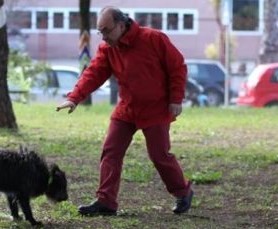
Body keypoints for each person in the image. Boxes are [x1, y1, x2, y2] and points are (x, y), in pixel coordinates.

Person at [56, 6, 194, 216]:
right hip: (127, 108)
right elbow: (93, 73)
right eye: (100, 32)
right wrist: (74, 98)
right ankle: (106, 202)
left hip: (156, 108)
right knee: (111, 151)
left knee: (159, 155)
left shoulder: (153, 39)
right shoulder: (108, 48)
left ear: (121, 25)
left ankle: (183, 192)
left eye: (106, 31)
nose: (103, 37)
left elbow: (178, 67)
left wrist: (176, 98)